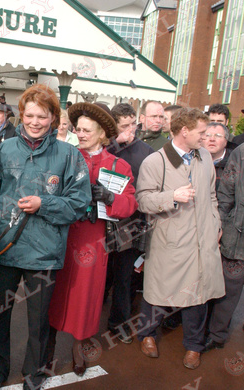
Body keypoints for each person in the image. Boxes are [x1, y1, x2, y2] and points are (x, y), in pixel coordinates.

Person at [0, 84, 91, 390]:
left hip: (44, 253)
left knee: (38, 320)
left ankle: (34, 372)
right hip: (5, 246)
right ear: (21, 115)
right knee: (0, 313)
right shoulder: (5, 149)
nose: (35, 122)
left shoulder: (69, 155)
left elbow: (79, 201)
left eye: (42, 116)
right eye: (29, 115)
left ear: (54, 118)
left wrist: (44, 204)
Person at [47, 102, 137, 375]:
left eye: (87, 130)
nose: (80, 134)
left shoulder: (118, 165)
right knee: (51, 293)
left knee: (85, 296)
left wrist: (110, 198)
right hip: (59, 236)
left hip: (92, 240)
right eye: (78, 129)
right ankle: (46, 347)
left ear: (102, 135)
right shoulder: (64, 156)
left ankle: (79, 345)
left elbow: (130, 204)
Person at [135, 108, 224, 370]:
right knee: (157, 290)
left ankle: (194, 347)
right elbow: (143, 200)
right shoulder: (155, 161)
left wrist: (216, 224)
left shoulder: (205, 157)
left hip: (202, 239)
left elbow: (212, 195)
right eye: (201, 132)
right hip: (169, 240)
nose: (206, 137)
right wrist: (172, 196)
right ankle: (147, 334)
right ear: (184, 131)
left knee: (198, 294)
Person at [205, 104, 244, 370]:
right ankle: (216, 336)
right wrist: (220, 224)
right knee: (226, 292)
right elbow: (226, 192)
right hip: (236, 235)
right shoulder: (243, 152)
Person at [105, 103, 154, 343]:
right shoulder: (106, 147)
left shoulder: (146, 151)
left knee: (124, 276)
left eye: (133, 124)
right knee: (100, 274)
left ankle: (119, 322)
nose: (130, 130)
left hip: (130, 223)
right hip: (101, 221)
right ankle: (92, 316)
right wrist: (115, 142)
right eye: (124, 126)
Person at [202, 122, 235, 190]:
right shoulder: (193, 159)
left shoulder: (235, 161)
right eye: (207, 135)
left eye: (218, 136)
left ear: (226, 141)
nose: (212, 139)